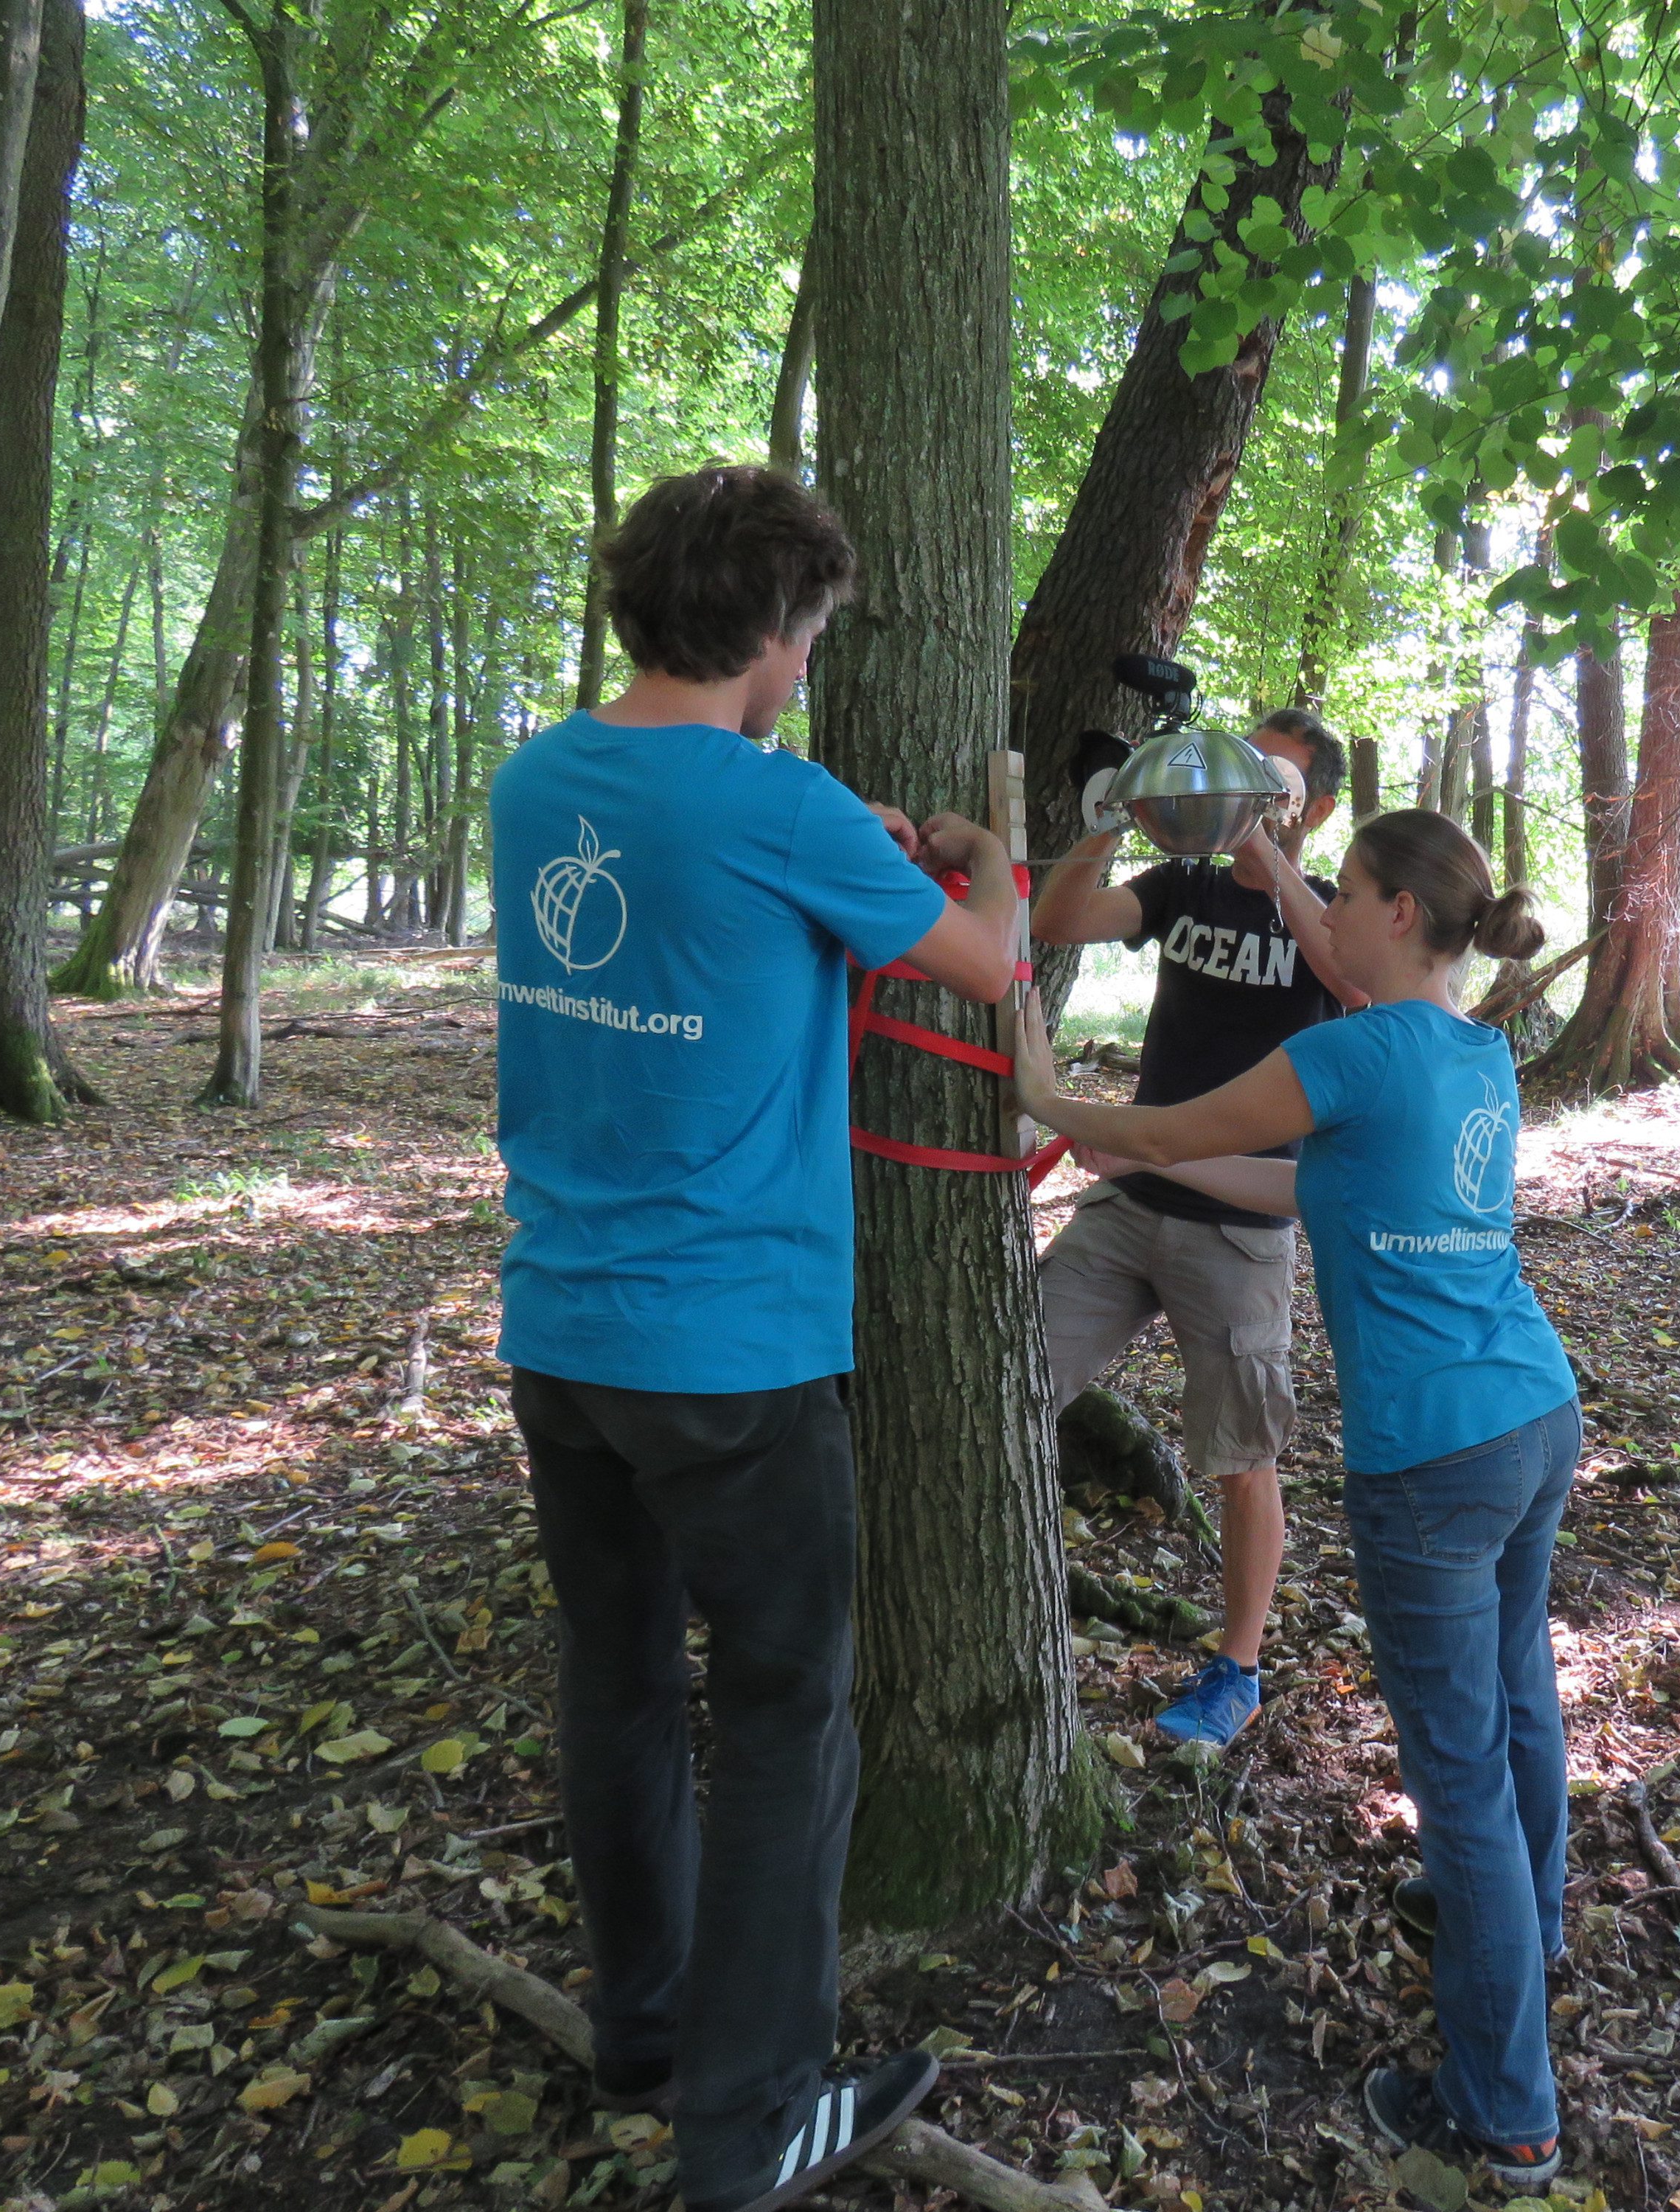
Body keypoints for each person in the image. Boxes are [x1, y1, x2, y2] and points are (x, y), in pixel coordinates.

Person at [489, 465, 1020, 2212]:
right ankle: (754, 2116)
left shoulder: (539, 781)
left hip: (561, 1334)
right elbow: (993, 966)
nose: (808, 661)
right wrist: (979, 857)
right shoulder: (778, 812)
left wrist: (844, 829)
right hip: (729, 1356)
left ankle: (640, 2028)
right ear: (775, 632)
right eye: (809, 634)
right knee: (791, 1706)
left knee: (621, 1680)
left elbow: (696, 846)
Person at [1014, 808, 1579, 2189]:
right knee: (1516, 1707)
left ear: (1392, 915)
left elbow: (1185, 1118)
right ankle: (1522, 1932)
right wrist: (1139, 1158)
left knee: (1460, 1784)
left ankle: (1504, 2115)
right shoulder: (1473, 1052)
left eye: (1343, 895)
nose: (1317, 915)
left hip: (1435, 1462)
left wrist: (1051, 1097)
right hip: (1533, 1413)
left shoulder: (1348, 1049)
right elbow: (1291, 1174)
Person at [1028, 707, 1364, 1745]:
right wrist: (1113, 814)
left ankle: (1236, 1668)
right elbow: (1055, 923)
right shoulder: (1183, 888)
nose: (1245, 784)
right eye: (1239, 766)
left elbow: (1358, 988)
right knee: (1016, 1379)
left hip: (1241, 1229)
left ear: (1320, 804)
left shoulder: (1339, 915)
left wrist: (1262, 841)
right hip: (1131, 1205)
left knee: (1240, 1452)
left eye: (1274, 775)